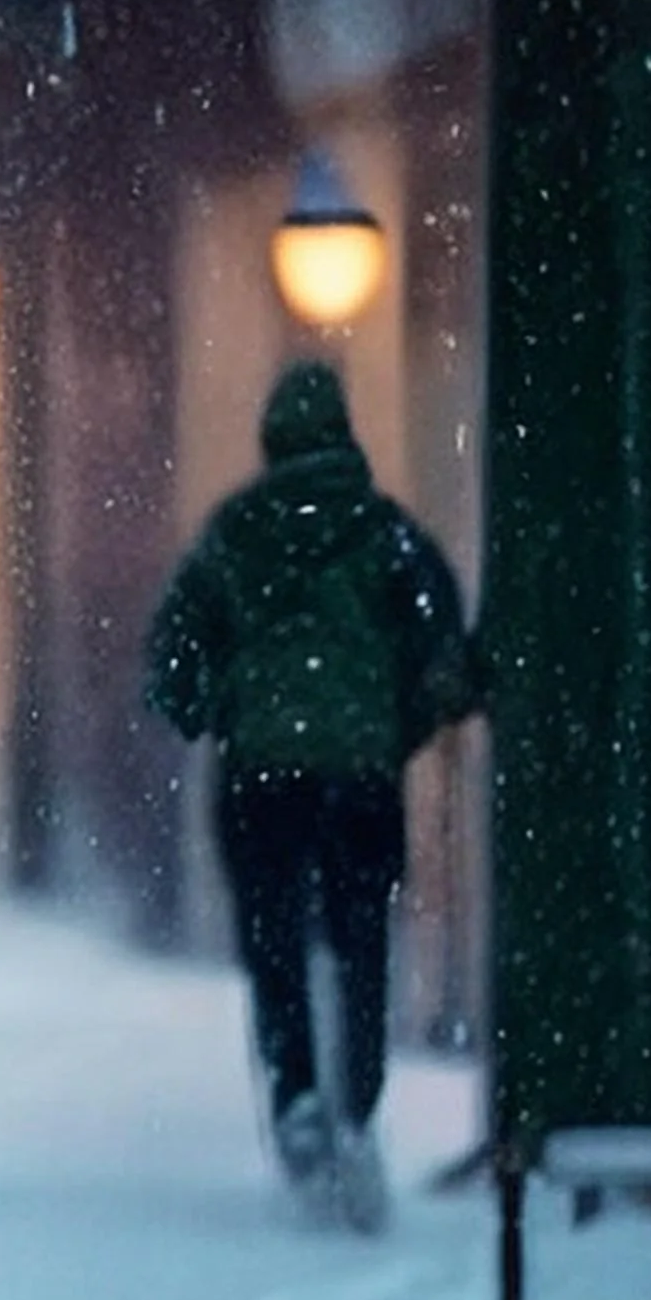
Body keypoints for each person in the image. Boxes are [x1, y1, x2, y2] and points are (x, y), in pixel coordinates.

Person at [142, 359, 484, 1228]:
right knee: (363, 937)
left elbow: (173, 652)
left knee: (275, 942)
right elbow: (444, 652)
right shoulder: (387, 534)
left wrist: (215, 709)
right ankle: (358, 1106)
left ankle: (296, 1094)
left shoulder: (234, 534)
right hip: (362, 777)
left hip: (261, 776)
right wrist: (396, 726)